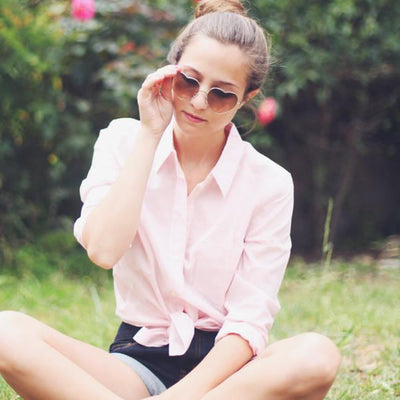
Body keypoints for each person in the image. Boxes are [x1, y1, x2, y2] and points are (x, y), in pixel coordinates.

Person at [0, 1, 341, 399]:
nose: (198, 102)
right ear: (169, 70)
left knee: (317, 355)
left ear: (247, 97)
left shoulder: (270, 183)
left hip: (227, 379)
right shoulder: (122, 140)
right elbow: (103, 251)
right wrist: (150, 134)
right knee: (6, 332)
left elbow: (249, 320)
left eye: (221, 94)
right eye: (188, 81)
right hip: (135, 366)